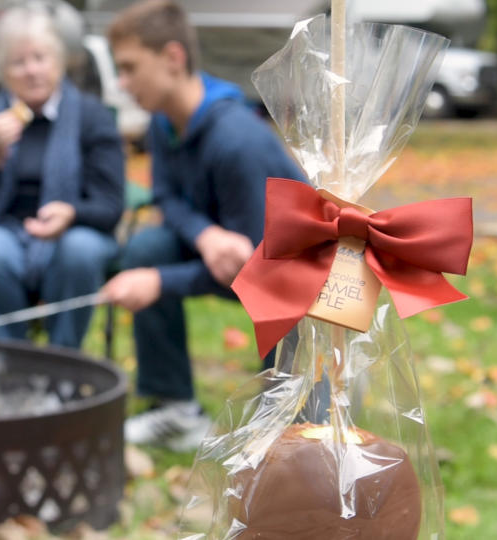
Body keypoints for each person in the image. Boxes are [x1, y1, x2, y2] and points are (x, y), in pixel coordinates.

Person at [100, 0, 308, 451]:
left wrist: (160, 281)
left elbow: (260, 268)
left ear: (173, 58)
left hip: (298, 275)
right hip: (236, 254)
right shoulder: (163, 122)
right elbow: (166, 197)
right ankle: (174, 407)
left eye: (130, 67)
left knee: (296, 443)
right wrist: (204, 234)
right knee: (146, 249)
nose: (122, 82)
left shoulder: (236, 140)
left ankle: (302, 407)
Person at [0, 5, 124, 349]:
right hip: (4, 231)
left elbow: (110, 205)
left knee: (80, 251)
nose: (31, 71)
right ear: (2, 71)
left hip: (75, 232)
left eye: (40, 58)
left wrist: (71, 213)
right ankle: (12, 362)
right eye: (18, 62)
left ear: (58, 62)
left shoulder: (91, 116)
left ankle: (63, 362)